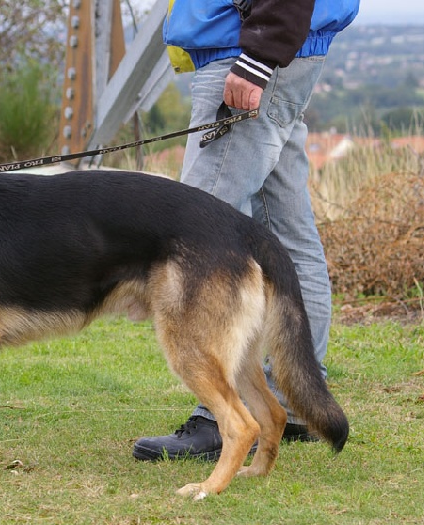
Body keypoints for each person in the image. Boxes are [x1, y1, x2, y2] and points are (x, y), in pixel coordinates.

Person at [133, 0, 360, 461]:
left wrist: (256, 59)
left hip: (249, 53)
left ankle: (222, 416)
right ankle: (295, 402)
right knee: (287, 235)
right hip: (277, 50)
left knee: (193, 241)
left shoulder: (255, 54)